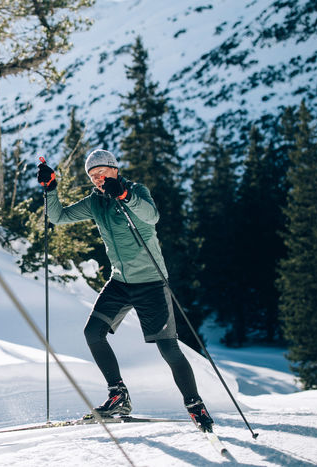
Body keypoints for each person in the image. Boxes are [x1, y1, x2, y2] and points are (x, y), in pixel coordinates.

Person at [37, 149, 214, 432]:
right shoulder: (95, 202)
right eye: (93, 176)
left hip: (151, 281)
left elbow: (152, 216)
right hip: (120, 282)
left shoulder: (135, 191)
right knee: (92, 332)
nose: (97, 179)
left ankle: (195, 405)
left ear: (114, 170)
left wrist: (124, 196)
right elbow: (58, 217)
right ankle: (118, 395)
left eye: (102, 173)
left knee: (168, 348)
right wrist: (51, 188)